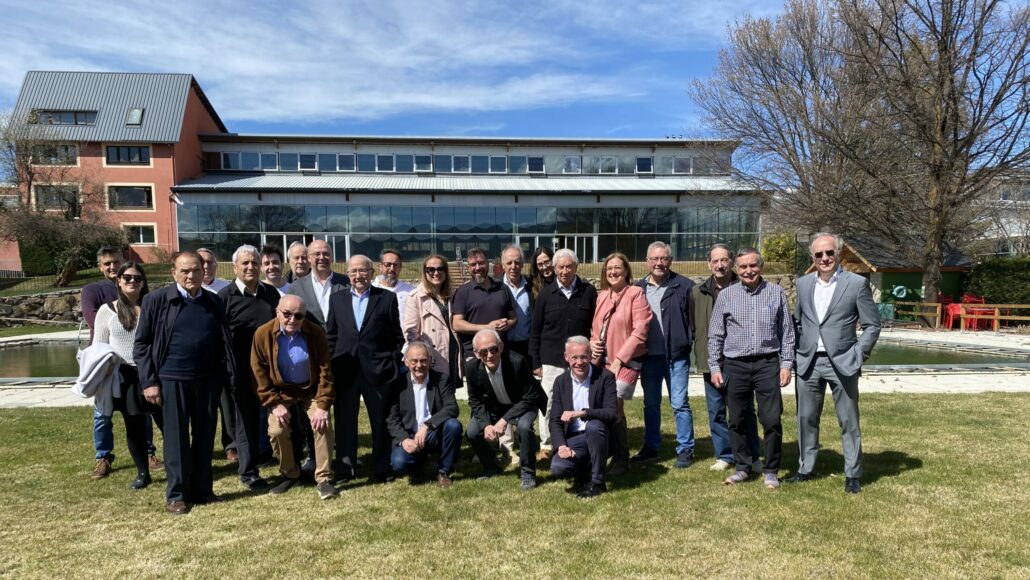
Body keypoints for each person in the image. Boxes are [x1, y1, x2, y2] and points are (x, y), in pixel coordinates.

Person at [134, 252, 236, 515]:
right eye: (185, 271)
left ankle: (203, 490)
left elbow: (223, 340)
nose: (191, 276)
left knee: (204, 437)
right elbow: (142, 343)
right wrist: (149, 382)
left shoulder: (213, 301)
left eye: (196, 270)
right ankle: (177, 494)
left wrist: (225, 376)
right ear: (174, 272)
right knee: (176, 440)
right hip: (171, 380)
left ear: (204, 272)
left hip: (207, 381)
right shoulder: (157, 300)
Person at [789, 233, 881, 494]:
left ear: (838, 253)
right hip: (808, 361)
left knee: (848, 420)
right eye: (819, 254)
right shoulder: (804, 284)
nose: (824, 258)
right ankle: (806, 468)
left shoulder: (856, 284)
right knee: (805, 418)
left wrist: (858, 354)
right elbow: (798, 321)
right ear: (813, 257)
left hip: (842, 362)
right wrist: (797, 351)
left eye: (829, 252)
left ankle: (852, 473)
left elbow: (873, 325)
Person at [708, 248, 796, 490]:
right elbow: (715, 334)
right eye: (743, 267)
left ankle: (771, 470)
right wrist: (715, 366)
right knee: (736, 419)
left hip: (767, 363)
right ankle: (743, 467)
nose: (748, 271)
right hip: (735, 365)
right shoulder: (726, 295)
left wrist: (786, 364)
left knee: (771, 420)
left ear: (761, 267)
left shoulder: (776, 293)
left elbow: (787, 333)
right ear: (737, 269)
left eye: (753, 265)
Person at [81, 246, 163, 478]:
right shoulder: (105, 307)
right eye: (126, 277)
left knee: (165, 422)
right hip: (123, 375)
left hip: (154, 373)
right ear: (118, 281)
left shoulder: (153, 306)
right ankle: (133, 469)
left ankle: (171, 463)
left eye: (137, 278)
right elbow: (99, 346)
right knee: (129, 423)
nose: (132, 281)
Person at [250, 295, 338, 500]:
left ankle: (324, 479)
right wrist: (273, 404)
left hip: (311, 390)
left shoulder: (315, 333)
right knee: (277, 429)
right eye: (287, 314)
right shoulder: (262, 334)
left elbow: (326, 372)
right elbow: (258, 373)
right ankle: (290, 473)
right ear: (277, 312)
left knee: (322, 424)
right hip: (280, 393)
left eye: (298, 316)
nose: (292, 320)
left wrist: (323, 405)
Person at [326, 254, 404, 483]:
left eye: (363, 271)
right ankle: (345, 469)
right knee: (345, 422)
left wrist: (391, 360)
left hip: (378, 370)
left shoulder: (386, 298)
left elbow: (396, 337)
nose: (358, 275)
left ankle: (381, 468)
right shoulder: (337, 299)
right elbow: (331, 335)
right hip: (345, 370)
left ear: (371, 273)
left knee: (380, 421)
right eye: (354, 271)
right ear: (348, 274)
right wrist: (332, 363)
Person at [691, 243, 761, 472]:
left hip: (739, 361)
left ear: (731, 262)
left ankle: (753, 454)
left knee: (744, 410)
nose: (720, 265)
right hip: (709, 361)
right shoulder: (697, 292)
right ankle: (725, 454)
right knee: (716, 411)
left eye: (724, 260)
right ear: (708, 264)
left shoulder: (744, 286)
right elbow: (694, 325)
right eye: (715, 261)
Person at [217, 245, 280, 490]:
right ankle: (249, 472)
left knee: (274, 420)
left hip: (269, 371)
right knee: (246, 423)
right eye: (245, 263)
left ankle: (287, 463)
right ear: (235, 267)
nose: (251, 267)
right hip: (241, 372)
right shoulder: (224, 297)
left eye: (255, 262)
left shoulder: (270, 294)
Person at [632, 241, 697, 468]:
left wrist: (686, 342)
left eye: (664, 258)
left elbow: (693, 320)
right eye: (655, 259)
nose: (659, 263)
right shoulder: (637, 289)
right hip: (649, 357)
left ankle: (685, 449)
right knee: (651, 404)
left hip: (676, 357)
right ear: (647, 262)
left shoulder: (684, 286)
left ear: (670, 260)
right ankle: (651, 447)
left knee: (679, 403)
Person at [529, 248, 596, 458]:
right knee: (548, 403)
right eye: (560, 267)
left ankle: (580, 438)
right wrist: (535, 362)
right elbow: (535, 330)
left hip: (580, 361)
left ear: (576, 267)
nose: (564, 271)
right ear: (554, 269)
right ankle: (547, 445)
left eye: (569, 266)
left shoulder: (588, 292)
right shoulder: (545, 295)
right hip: (551, 359)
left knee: (581, 401)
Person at [589, 252, 651, 475]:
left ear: (626, 271)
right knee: (603, 406)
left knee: (614, 405)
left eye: (618, 268)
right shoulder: (603, 295)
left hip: (625, 361)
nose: (613, 271)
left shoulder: (636, 293)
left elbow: (640, 331)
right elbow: (597, 328)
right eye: (609, 268)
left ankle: (621, 457)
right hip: (601, 360)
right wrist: (593, 343)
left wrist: (619, 360)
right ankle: (608, 452)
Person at [465, 330, 546, 490]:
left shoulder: (518, 361)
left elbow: (529, 396)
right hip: (494, 406)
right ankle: (490, 466)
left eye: (493, 349)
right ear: (476, 353)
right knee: (473, 431)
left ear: (501, 347)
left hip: (523, 403)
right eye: (483, 352)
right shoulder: (471, 368)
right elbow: (475, 400)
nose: (489, 355)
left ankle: (527, 473)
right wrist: (486, 425)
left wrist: (504, 421)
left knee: (524, 427)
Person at [386, 341, 462, 487]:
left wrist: (427, 425)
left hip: (433, 433)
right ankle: (419, 461)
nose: (419, 365)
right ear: (406, 362)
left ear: (430, 362)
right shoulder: (398, 384)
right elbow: (392, 418)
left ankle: (444, 471)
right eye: (414, 361)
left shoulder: (441, 379)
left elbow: (451, 407)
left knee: (453, 425)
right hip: (410, 435)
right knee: (399, 463)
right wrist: (404, 440)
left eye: (423, 361)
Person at [549, 336, 617, 499]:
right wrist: (561, 446)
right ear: (566, 358)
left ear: (590, 356)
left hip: (600, 435)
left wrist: (582, 413)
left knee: (593, 426)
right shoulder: (561, 382)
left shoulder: (605, 377)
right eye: (574, 357)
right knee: (558, 467)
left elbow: (611, 413)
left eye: (583, 357)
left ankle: (598, 482)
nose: (579, 362)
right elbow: (555, 419)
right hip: (574, 439)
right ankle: (584, 469)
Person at [451, 247, 515, 362]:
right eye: (473, 264)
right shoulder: (463, 292)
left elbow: (513, 318)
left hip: (500, 353)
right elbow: (457, 324)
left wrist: (507, 324)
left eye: (481, 263)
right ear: (468, 268)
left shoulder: (503, 288)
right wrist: (487, 328)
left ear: (487, 263)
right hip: (475, 355)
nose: (477, 268)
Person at [403, 254, 458, 377]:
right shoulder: (415, 297)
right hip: (432, 356)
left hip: (453, 352)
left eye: (440, 269)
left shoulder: (454, 294)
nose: (436, 273)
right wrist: (421, 357)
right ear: (425, 272)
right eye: (431, 269)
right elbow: (411, 332)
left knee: (449, 393)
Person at [287, 240, 349, 327]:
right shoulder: (296, 288)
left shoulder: (347, 283)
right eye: (317, 254)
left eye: (326, 254)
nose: (322, 257)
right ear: (309, 258)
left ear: (331, 257)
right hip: (310, 339)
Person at [499, 245, 532, 358]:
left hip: (527, 346)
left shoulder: (532, 286)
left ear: (522, 264)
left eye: (517, 262)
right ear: (503, 266)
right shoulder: (495, 287)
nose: (513, 267)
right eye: (509, 263)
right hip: (502, 346)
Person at [372, 249, 416, 317]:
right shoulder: (371, 291)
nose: (392, 268)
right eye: (388, 264)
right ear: (380, 266)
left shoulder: (411, 292)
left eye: (396, 265)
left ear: (400, 267)